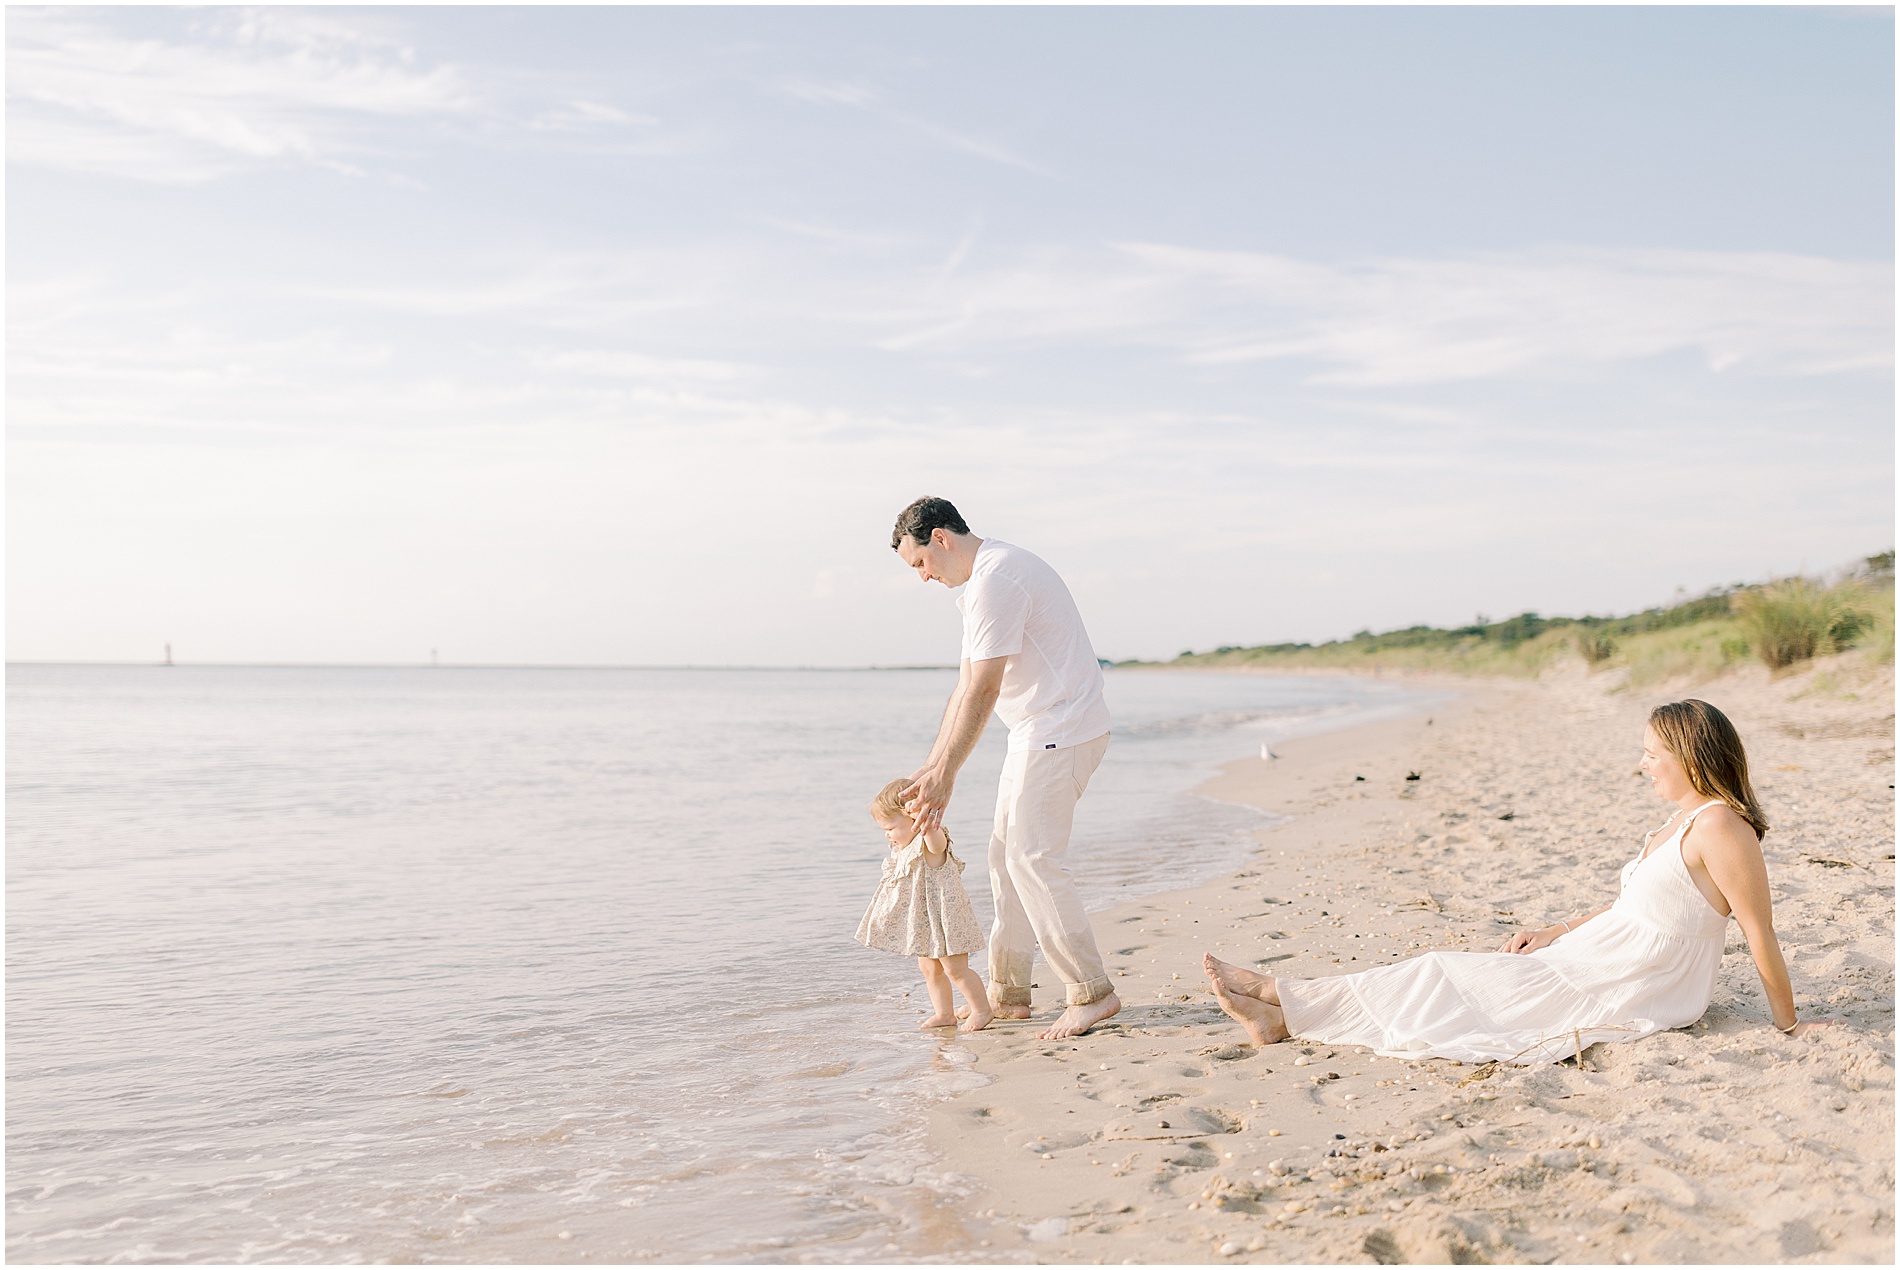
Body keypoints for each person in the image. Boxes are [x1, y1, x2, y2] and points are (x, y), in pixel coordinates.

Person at [1203, 699, 1834, 1063]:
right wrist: (1555, 930)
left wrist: (1788, 1025)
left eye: (1651, 754)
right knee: (1447, 974)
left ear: (1691, 758)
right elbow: (1633, 909)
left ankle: (1279, 996)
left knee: (1442, 973)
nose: (1641, 764)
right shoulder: (1683, 820)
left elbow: (1759, 933)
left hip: (1634, 984)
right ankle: (1283, 1014)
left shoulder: (1722, 827)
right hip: (1597, 955)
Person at [891, 496, 1120, 1040]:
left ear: (941, 538)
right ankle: (1010, 992)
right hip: (1035, 732)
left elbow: (987, 688)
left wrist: (949, 775)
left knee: (1032, 859)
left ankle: (1092, 993)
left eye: (920, 563)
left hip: (1061, 731)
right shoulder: (983, 585)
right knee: (1003, 859)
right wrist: (931, 767)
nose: (922, 577)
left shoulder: (999, 577)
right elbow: (966, 686)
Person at [855, 777, 992, 1033]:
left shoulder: (930, 840)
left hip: (946, 919)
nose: (887, 834)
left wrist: (925, 818)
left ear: (914, 819)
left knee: (955, 968)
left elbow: (936, 842)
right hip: (924, 921)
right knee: (929, 968)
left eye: (890, 827)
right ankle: (944, 1013)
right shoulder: (902, 848)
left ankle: (982, 1010)